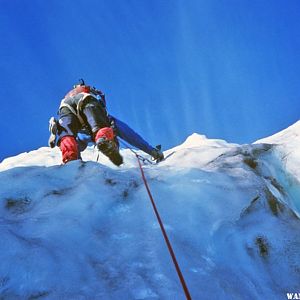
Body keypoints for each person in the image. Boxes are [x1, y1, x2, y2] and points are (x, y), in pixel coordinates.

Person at [49, 79, 164, 166]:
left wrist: (77, 159)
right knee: (100, 128)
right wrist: (152, 152)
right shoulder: (107, 117)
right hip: (87, 101)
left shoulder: (70, 94)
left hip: (64, 106)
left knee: (68, 136)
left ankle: (70, 161)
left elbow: (80, 144)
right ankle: (103, 138)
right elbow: (130, 135)